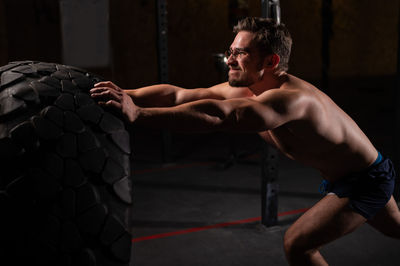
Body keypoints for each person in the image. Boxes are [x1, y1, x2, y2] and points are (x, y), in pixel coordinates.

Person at [90, 17, 400, 265]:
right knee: (395, 228)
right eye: (231, 51)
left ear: (270, 60)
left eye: (241, 53)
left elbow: (223, 117)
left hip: (365, 181)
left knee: (297, 245)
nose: (229, 59)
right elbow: (177, 95)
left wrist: (140, 114)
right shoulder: (248, 88)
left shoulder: (293, 101)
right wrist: (122, 94)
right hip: (354, 174)